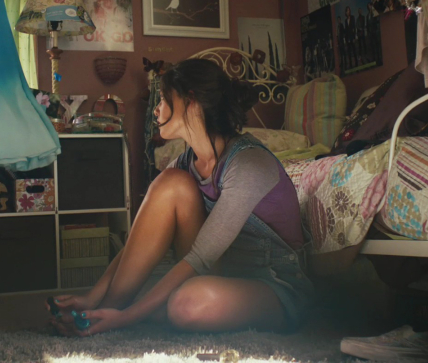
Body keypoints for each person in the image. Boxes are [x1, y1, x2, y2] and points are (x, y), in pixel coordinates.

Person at [48, 59, 312, 336]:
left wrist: (125, 318)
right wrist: (93, 299)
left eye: (163, 99)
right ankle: (103, 311)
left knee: (186, 304)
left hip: (276, 284)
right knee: (170, 183)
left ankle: (122, 316)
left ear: (190, 102)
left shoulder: (249, 163)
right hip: (222, 275)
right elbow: (139, 240)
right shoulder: (185, 164)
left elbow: (200, 257)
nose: (156, 109)